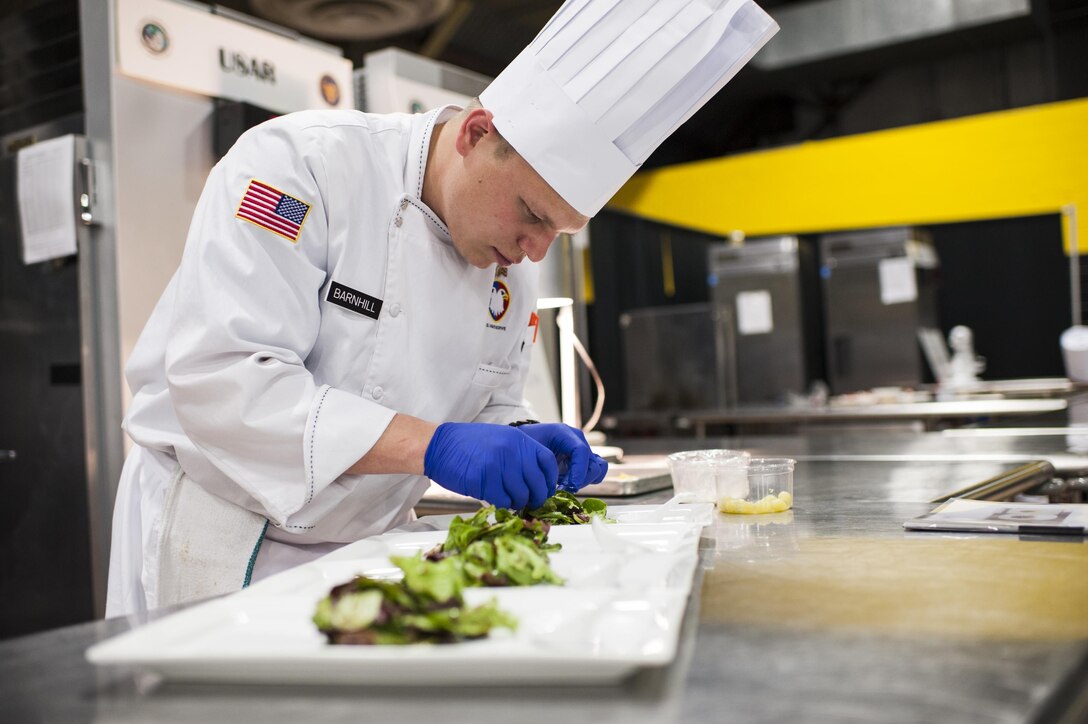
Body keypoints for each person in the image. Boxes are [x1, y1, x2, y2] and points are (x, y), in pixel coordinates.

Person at [106, 0, 779, 617]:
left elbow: (486, 400)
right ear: (476, 133)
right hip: (224, 532)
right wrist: (433, 446)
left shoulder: (507, 262)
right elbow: (224, 379)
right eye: (532, 214)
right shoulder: (298, 166)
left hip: (368, 546)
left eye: (558, 232)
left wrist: (520, 434)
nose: (534, 248)